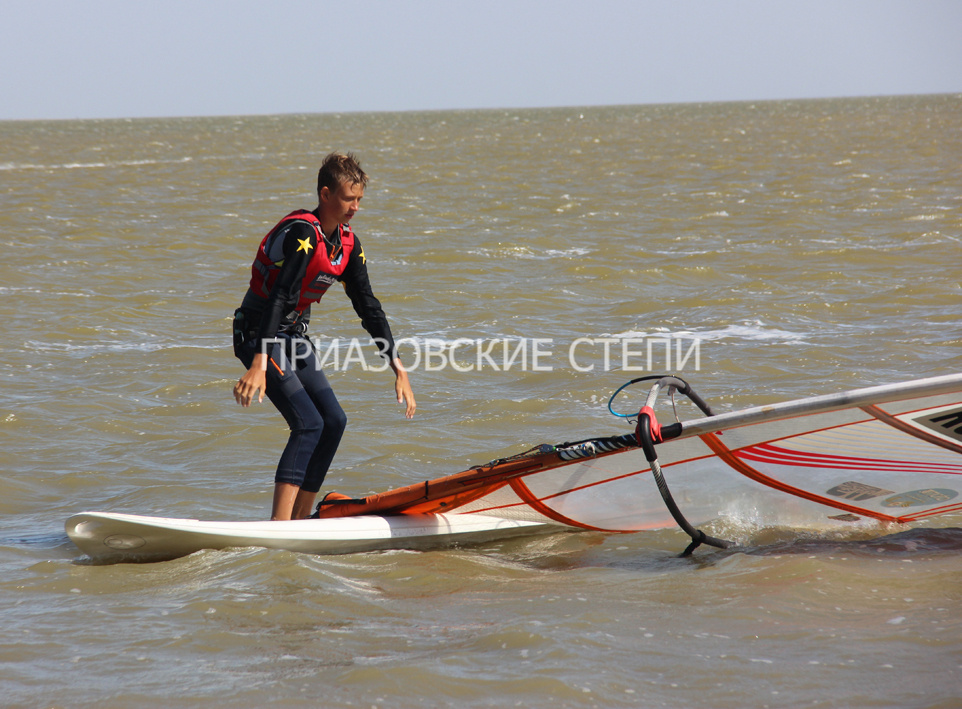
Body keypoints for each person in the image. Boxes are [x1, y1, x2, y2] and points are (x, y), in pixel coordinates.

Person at [232, 152, 415, 520]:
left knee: (333, 421)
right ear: (326, 194)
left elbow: (368, 306)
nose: (355, 207)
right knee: (308, 423)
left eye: (360, 199)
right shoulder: (303, 233)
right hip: (258, 334)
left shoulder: (348, 245)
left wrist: (398, 367)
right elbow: (280, 296)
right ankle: (280, 525)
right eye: (349, 198)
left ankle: (301, 519)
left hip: (293, 338)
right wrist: (258, 363)